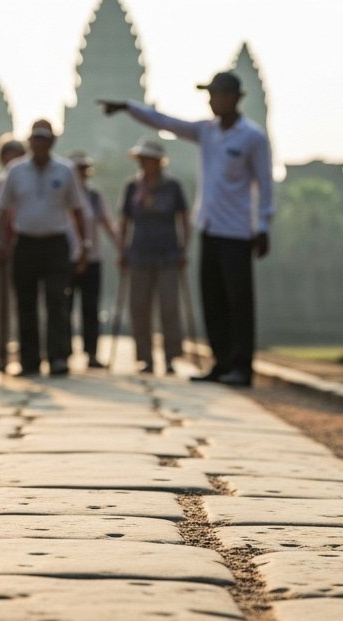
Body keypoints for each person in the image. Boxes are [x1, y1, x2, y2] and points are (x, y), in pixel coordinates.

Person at [102, 71, 274, 387]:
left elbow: (264, 183)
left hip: (238, 230)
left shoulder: (252, 137)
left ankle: (241, 365)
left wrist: (263, 225)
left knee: (238, 300)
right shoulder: (206, 133)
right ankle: (221, 362)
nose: (211, 100)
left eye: (215, 94)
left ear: (233, 97)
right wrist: (128, 107)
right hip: (209, 226)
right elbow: (165, 122)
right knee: (213, 299)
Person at [0, 119, 92, 377]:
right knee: (25, 304)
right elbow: (2, 210)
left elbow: (78, 210)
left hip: (56, 243)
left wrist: (84, 244)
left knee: (57, 301)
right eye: (35, 138)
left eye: (44, 139)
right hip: (25, 242)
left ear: (52, 142)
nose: (39, 144)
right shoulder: (15, 171)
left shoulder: (65, 170)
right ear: (30, 141)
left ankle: (58, 357)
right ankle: (29, 360)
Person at [118, 138, 189, 375]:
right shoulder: (132, 186)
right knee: (139, 308)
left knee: (169, 307)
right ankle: (145, 357)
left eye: (149, 159)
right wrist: (122, 250)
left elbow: (183, 218)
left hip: (168, 253)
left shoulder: (172, 187)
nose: (144, 163)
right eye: (142, 159)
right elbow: (125, 221)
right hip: (139, 253)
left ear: (158, 162)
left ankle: (171, 356)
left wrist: (183, 249)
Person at [67, 151, 121, 369]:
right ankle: (63, 352)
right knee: (65, 307)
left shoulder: (94, 195)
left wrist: (122, 249)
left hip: (92, 258)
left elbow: (108, 223)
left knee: (90, 308)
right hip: (68, 258)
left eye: (83, 169)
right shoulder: (62, 195)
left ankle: (91, 352)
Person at [0, 135, 26, 373]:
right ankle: (0, 354)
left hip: (24, 251)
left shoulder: (28, 185)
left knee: (24, 305)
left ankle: (26, 353)